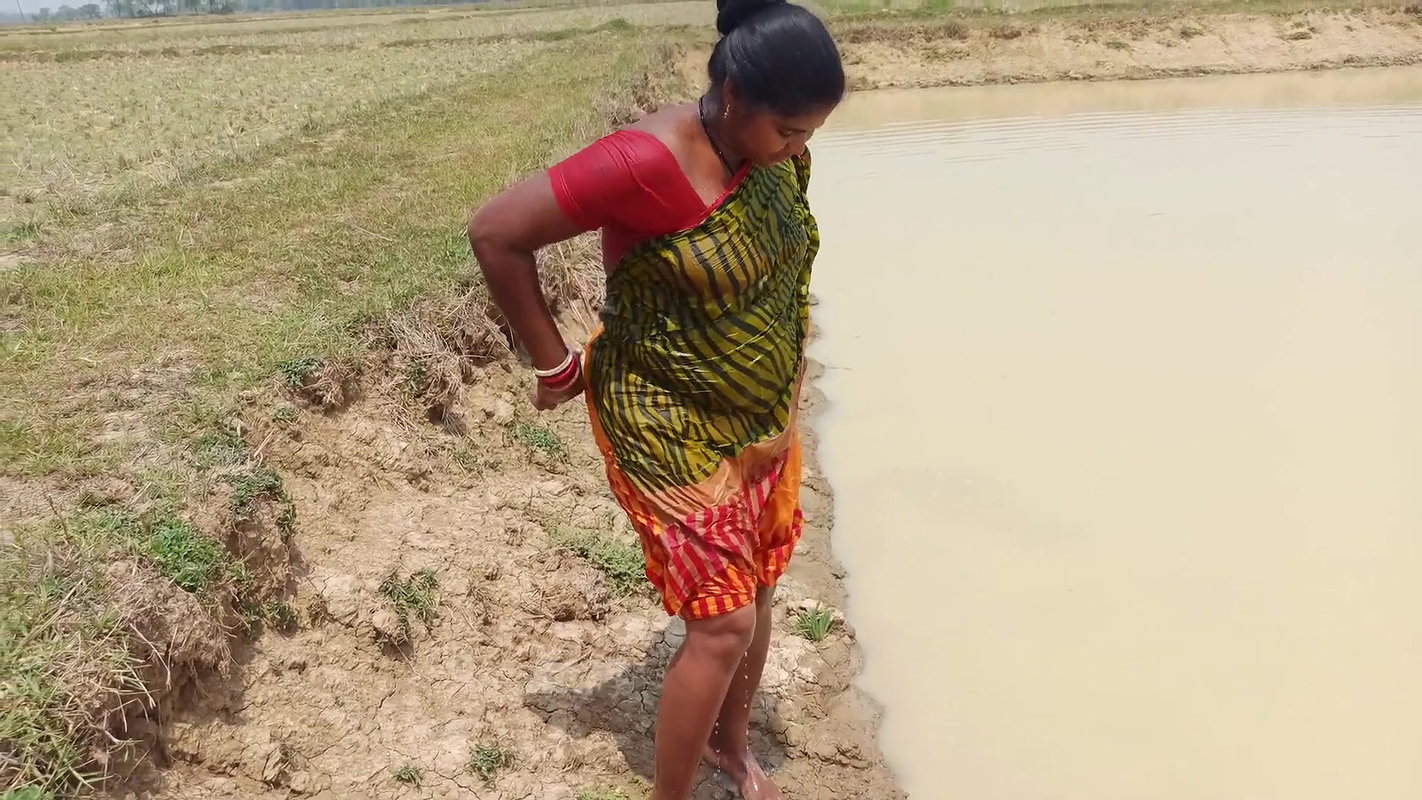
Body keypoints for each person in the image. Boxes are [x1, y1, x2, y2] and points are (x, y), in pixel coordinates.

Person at [467, 1, 844, 797]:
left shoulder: (771, 155)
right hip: (665, 420)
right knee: (723, 622)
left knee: (761, 582)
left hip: (758, 417)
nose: (799, 150)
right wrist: (554, 365)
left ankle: (733, 749)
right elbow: (497, 232)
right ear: (734, 94)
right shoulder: (645, 163)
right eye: (790, 132)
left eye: (810, 134)